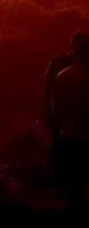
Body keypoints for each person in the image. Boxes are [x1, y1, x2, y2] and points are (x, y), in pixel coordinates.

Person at [51, 36, 89, 217]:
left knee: (73, 185)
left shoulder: (62, 76)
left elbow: (56, 110)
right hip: (86, 140)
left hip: (67, 137)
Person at [45, 30, 89, 182]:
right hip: (79, 133)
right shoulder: (59, 66)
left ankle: (59, 190)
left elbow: (53, 99)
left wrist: (50, 114)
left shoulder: (62, 73)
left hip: (67, 132)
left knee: (71, 178)